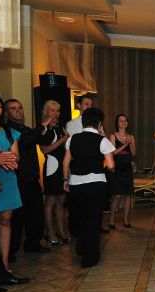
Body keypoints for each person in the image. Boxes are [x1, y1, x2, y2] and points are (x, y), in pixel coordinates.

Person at [62, 108, 115, 268]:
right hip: (96, 184)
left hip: (76, 184)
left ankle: (81, 248)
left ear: (83, 122)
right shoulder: (102, 140)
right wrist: (102, 164)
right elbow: (111, 165)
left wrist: (66, 179)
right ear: (99, 123)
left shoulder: (73, 139)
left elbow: (66, 163)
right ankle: (89, 258)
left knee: (82, 217)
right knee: (93, 220)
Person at [5, 99, 50, 258]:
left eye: (20, 108)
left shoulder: (25, 128)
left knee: (36, 213)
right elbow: (26, 140)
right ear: (6, 113)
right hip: (18, 179)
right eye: (13, 108)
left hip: (32, 178)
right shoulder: (8, 130)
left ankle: (33, 243)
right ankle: (10, 251)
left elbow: (43, 140)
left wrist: (48, 127)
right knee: (17, 217)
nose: (18, 111)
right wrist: (42, 125)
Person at [0, 93, 22, 273]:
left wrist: (9, 158)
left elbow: (16, 156)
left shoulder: (9, 132)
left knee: (6, 220)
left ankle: (4, 265)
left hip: (8, 178)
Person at [39, 100, 71, 246]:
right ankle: (50, 233)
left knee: (61, 201)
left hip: (62, 167)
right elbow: (44, 150)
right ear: (46, 112)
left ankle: (61, 231)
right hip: (51, 168)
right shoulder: (43, 128)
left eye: (57, 110)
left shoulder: (60, 127)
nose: (55, 113)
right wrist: (62, 140)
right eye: (52, 110)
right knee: (50, 201)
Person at [66, 94, 93, 237]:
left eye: (90, 104)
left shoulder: (96, 122)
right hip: (78, 165)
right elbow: (74, 146)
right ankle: (76, 229)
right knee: (77, 201)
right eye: (86, 104)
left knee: (91, 202)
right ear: (79, 105)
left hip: (93, 166)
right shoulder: (72, 124)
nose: (89, 107)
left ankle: (91, 227)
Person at [108, 114, 136, 228]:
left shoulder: (131, 136)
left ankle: (125, 219)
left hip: (127, 168)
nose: (123, 122)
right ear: (117, 123)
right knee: (117, 196)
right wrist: (125, 145)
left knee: (128, 195)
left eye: (125, 120)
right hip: (117, 168)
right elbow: (112, 153)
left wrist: (131, 142)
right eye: (121, 120)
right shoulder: (113, 136)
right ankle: (111, 219)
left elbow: (133, 153)